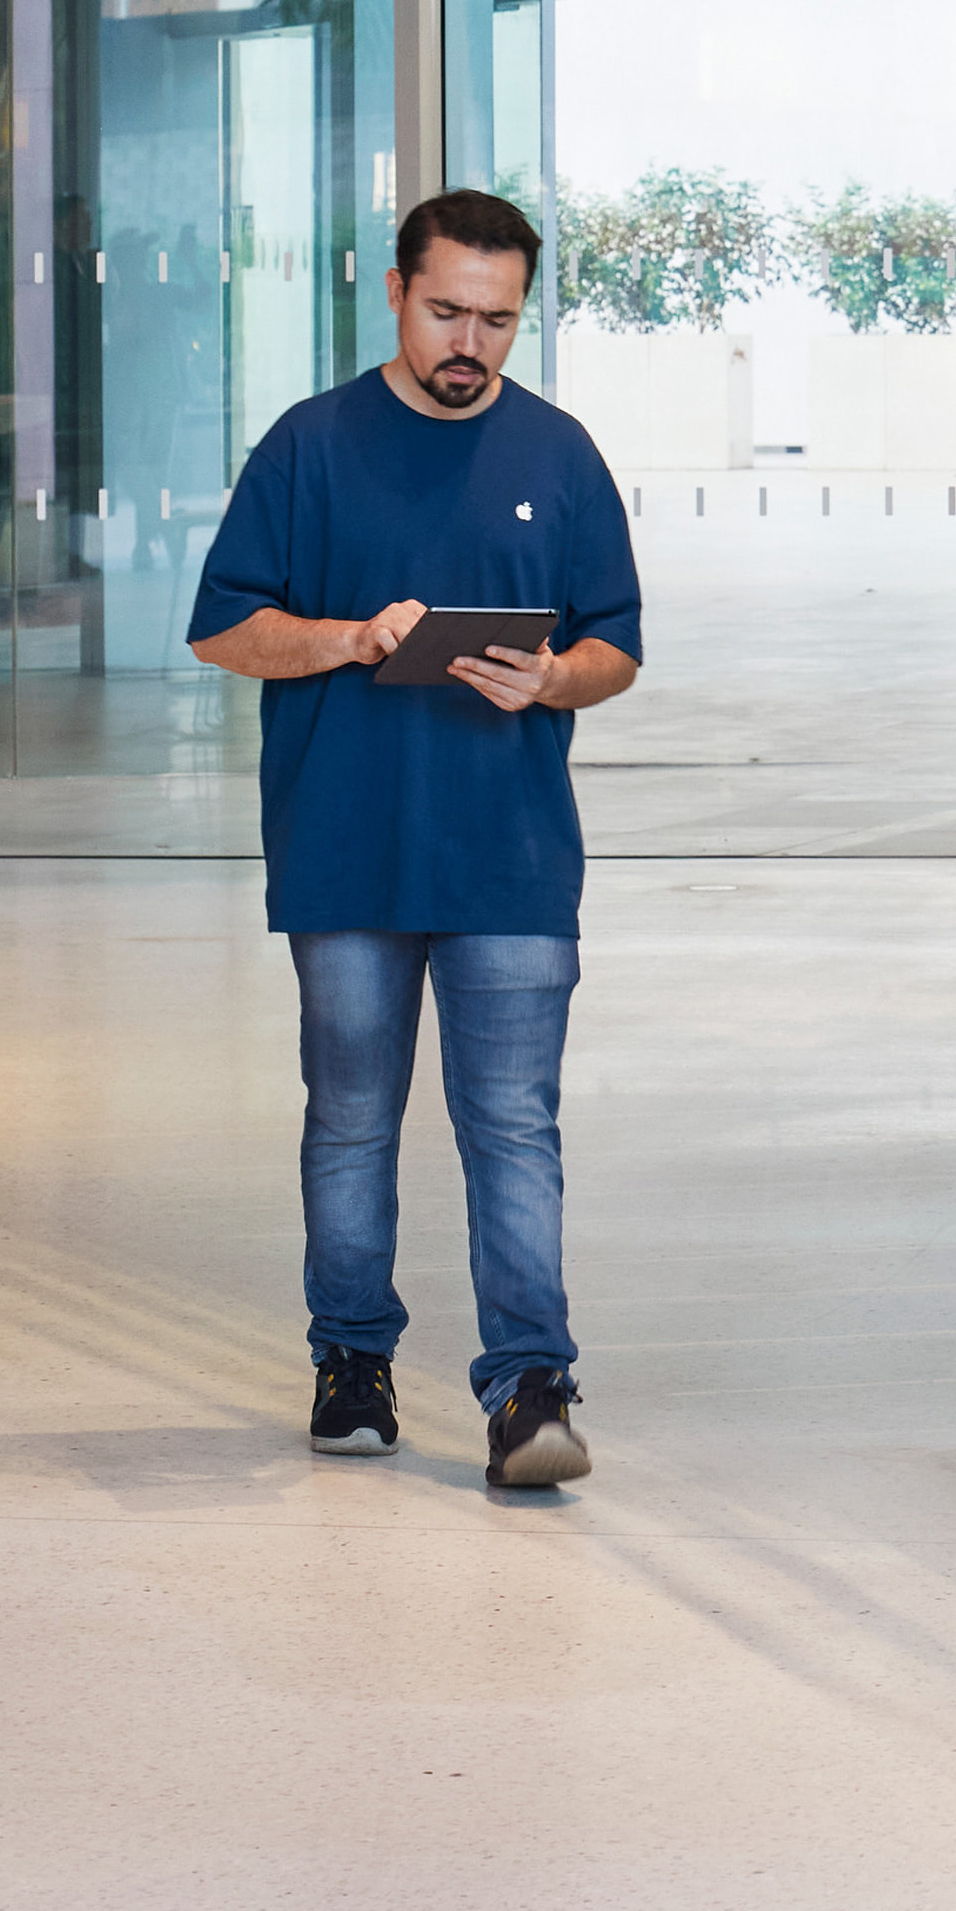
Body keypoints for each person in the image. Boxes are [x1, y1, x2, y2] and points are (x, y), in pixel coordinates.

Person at [188, 186, 643, 1488]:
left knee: (512, 1127)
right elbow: (225, 626)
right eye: (446, 311)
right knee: (349, 1121)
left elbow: (615, 643)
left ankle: (530, 1391)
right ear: (394, 292)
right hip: (344, 848)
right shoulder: (310, 447)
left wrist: (551, 680)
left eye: (496, 321)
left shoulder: (558, 456)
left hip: (511, 857)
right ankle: (352, 1361)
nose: (470, 342)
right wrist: (348, 639)